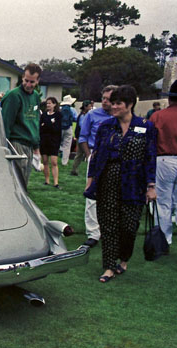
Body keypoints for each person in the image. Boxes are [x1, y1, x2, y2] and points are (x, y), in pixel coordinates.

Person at [84, 85, 157, 282]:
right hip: (108, 179)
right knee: (108, 225)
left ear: (130, 104)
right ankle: (108, 266)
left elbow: (150, 157)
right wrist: (91, 181)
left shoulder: (146, 126)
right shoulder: (106, 126)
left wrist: (151, 186)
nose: (113, 106)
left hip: (134, 183)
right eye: (112, 103)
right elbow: (96, 155)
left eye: (118, 103)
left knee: (129, 226)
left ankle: (123, 259)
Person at [150, 80, 177, 260]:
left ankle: (164, 241)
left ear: (169, 98)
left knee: (163, 202)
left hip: (164, 159)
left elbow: (151, 142)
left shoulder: (158, 116)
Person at [77, 85, 117, 248]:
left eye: (109, 99)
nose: (105, 102)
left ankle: (109, 230)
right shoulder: (92, 115)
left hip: (115, 158)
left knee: (113, 195)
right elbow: (83, 137)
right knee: (92, 195)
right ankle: (93, 233)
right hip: (96, 156)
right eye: (104, 98)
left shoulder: (120, 115)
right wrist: (89, 156)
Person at [1, 63, 42, 187]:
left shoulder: (35, 96)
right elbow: (5, 124)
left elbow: (35, 122)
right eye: (26, 81)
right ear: (22, 77)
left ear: (38, 81)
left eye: (32, 82)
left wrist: (36, 148)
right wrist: (5, 148)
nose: (28, 85)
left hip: (29, 145)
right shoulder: (14, 96)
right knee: (18, 183)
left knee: (25, 181)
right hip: (16, 143)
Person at [39, 97, 62, 188]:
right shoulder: (44, 115)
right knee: (45, 161)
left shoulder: (58, 115)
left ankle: (56, 182)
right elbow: (41, 127)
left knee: (54, 162)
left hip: (54, 141)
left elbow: (56, 128)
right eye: (47, 103)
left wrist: (47, 125)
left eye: (50, 103)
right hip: (44, 141)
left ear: (54, 104)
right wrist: (48, 125)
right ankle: (47, 180)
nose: (48, 105)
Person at [70, 100, 93, 176]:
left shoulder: (81, 115)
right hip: (83, 137)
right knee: (81, 154)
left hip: (81, 136)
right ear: (85, 107)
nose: (91, 107)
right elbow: (82, 126)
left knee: (79, 154)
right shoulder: (84, 116)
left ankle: (74, 169)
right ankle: (74, 169)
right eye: (89, 106)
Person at [59, 95, 78, 166]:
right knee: (67, 145)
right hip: (68, 128)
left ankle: (55, 154)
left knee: (57, 142)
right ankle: (64, 162)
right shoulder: (72, 109)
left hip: (60, 128)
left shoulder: (60, 109)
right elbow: (75, 118)